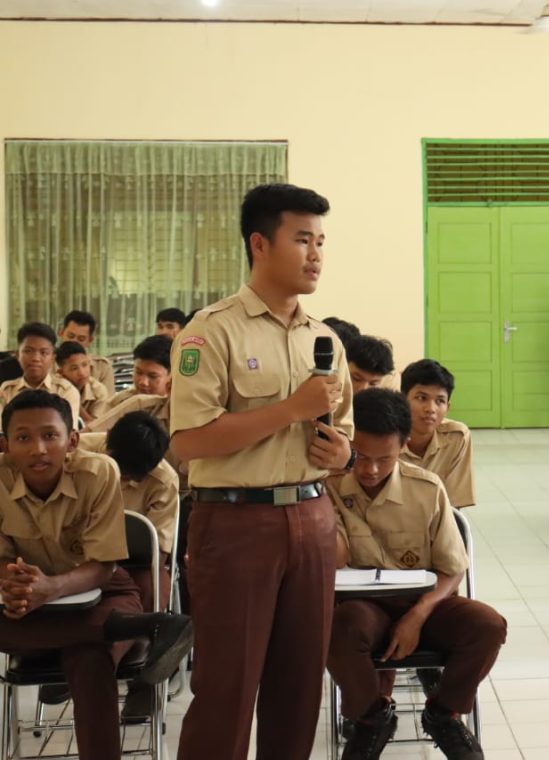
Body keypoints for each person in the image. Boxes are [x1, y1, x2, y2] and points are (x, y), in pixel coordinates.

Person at [169, 183, 354, 760]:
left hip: (312, 517)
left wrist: (342, 454)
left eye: (321, 241)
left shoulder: (324, 338)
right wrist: (288, 410)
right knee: (227, 691)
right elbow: (188, 442)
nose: (316, 253)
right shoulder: (212, 330)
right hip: (234, 526)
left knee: (299, 691)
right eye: (302, 239)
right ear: (259, 244)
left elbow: (342, 433)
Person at [0, 390, 193, 760]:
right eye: (23, 438)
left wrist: (50, 587)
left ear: (72, 440)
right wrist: (17, 583)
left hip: (102, 592)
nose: (38, 448)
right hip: (34, 602)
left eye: (50, 435)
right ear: (6, 444)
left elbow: (104, 565)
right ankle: (145, 627)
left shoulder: (100, 471)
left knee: (91, 658)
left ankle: (125, 624)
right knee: (91, 640)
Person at [326, 389, 506, 760]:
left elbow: (453, 569)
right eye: (361, 457)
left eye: (385, 459)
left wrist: (419, 614)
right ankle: (373, 718)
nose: (371, 470)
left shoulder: (425, 488)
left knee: (488, 625)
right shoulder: (326, 486)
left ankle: (443, 714)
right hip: (362, 607)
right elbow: (335, 558)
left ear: (403, 446)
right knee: (336, 627)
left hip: (426, 602)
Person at [80, 412, 180, 723]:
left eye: (134, 476)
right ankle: (82, 663)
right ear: (108, 443)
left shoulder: (164, 480)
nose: (125, 481)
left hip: (135, 562)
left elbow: (158, 551)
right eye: (121, 470)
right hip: (78, 557)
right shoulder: (80, 454)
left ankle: (142, 681)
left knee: (152, 590)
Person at [400, 360, 475, 509]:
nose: (431, 409)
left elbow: (454, 504)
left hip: (439, 521)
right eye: (421, 398)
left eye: (440, 401)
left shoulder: (457, 437)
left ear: (448, 407)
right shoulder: (384, 438)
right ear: (402, 400)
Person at [0, 322, 81, 428]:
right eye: (28, 351)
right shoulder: (7, 390)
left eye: (44, 353)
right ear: (18, 355)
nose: (35, 358)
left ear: (52, 358)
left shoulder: (66, 391)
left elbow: (68, 434)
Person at [107, 335, 173, 408]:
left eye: (152, 376)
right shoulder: (119, 403)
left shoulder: (179, 408)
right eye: (138, 372)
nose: (143, 382)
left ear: (171, 376)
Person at [56, 340, 113, 425]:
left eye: (84, 365)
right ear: (61, 372)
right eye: (74, 368)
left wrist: (74, 401)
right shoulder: (54, 389)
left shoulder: (98, 390)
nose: (82, 373)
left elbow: (96, 426)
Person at [59, 310, 116, 393]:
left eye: (81, 339)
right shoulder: (48, 363)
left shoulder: (102, 367)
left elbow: (108, 403)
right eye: (71, 336)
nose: (74, 342)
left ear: (90, 340)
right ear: (61, 333)